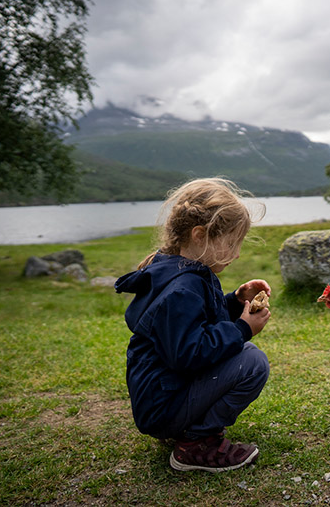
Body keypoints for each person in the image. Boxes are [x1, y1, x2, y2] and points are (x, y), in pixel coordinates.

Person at [114, 178, 271, 473]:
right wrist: (242, 329)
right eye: (231, 243)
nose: (236, 253)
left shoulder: (180, 272)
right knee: (251, 361)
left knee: (246, 356)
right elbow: (189, 353)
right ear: (200, 235)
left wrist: (237, 301)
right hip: (162, 408)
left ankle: (186, 429)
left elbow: (197, 322)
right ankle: (195, 444)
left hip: (162, 400)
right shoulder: (183, 288)